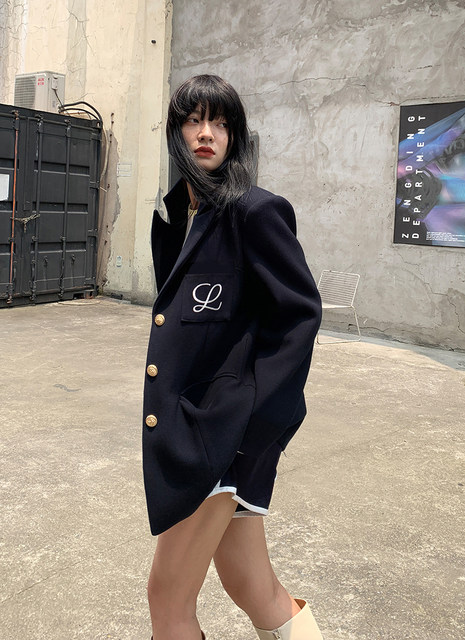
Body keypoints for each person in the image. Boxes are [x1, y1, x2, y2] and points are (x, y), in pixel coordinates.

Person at [143, 74, 323, 640]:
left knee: (168, 599)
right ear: (175, 132)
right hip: (200, 427)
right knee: (252, 585)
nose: (207, 134)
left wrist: (253, 428)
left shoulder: (254, 211)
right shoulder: (179, 215)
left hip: (218, 435)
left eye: (220, 123)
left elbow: (298, 318)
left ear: (235, 137)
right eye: (194, 120)